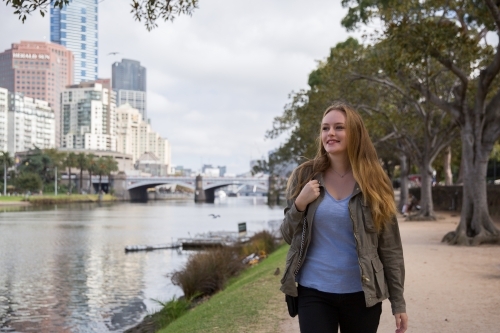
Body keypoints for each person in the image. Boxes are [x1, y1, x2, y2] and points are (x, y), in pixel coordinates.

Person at [280, 102, 408, 333]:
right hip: (313, 291)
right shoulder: (305, 176)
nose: (330, 133)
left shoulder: (375, 182)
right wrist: (300, 203)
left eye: (339, 127)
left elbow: (390, 248)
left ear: (355, 133)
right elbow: (288, 235)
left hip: (362, 293)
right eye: (325, 128)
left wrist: (398, 302)